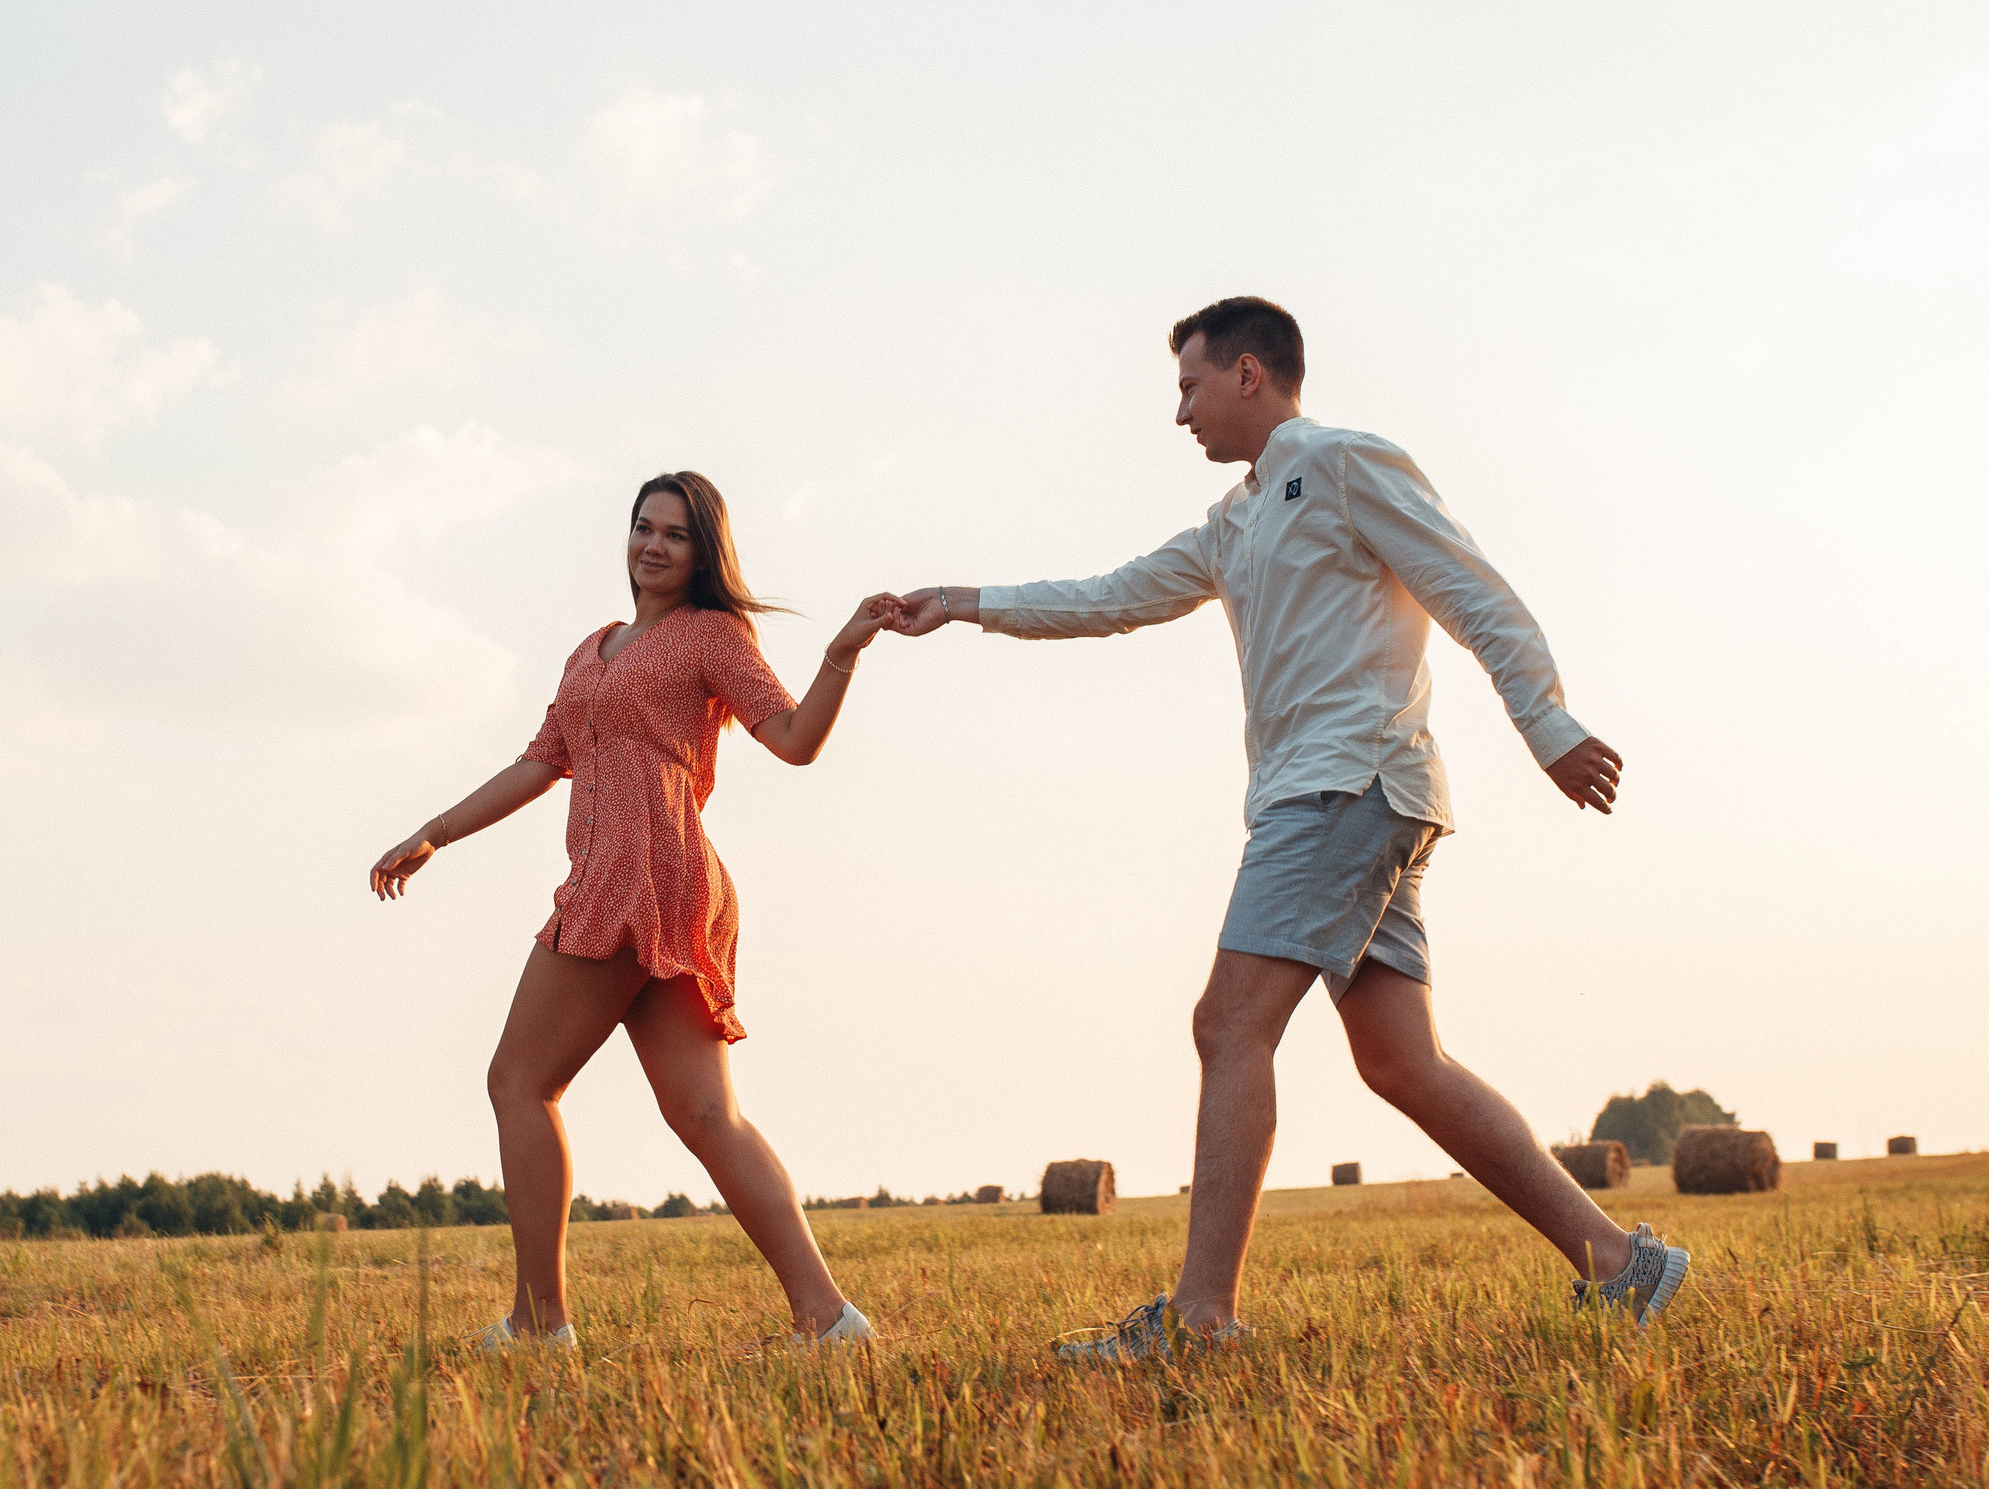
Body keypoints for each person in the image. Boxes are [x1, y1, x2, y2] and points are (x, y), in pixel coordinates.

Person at [885, 297, 1689, 1361]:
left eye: (1188, 385)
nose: (1179, 413)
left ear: (1248, 373)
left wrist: (1544, 722)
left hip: (1345, 788)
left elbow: (1470, 590)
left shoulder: (1345, 463)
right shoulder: (1234, 521)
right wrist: (966, 599)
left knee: (1228, 1024)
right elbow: (1111, 595)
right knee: (1403, 1064)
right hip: (1335, 800)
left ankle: (1201, 1319)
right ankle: (1621, 1264)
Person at [369, 470, 897, 1351]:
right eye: (642, 527)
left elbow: (796, 741)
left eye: (676, 534)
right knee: (704, 1116)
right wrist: (436, 831)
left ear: (704, 552)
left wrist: (840, 653)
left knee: (519, 1080)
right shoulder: (593, 648)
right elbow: (540, 762)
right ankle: (830, 1318)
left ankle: (541, 1323)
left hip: (643, 871)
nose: (653, 544)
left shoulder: (710, 636)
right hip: (647, 875)